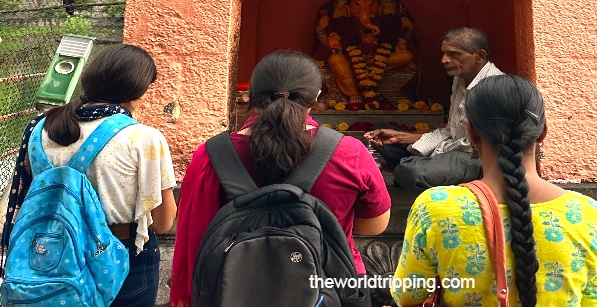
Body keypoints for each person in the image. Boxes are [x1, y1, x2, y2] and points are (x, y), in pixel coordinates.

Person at [170, 51, 391, 307]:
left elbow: (196, 229)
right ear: (317, 97)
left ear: (251, 95)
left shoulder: (210, 155)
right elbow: (374, 226)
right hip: (331, 288)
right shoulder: (349, 153)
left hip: (232, 289)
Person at [392, 74, 597, 307]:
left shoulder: (435, 208)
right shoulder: (590, 214)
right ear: (543, 131)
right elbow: (592, 302)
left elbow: (408, 295)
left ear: (470, 132)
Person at [0, 43, 177, 307]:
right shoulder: (143, 138)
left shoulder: (39, 127)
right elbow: (162, 224)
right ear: (138, 89)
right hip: (122, 257)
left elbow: (23, 194)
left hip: (46, 253)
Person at [366, 27, 502, 190]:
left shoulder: (494, 87)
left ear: (480, 56)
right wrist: (400, 137)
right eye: (444, 53)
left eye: (454, 54)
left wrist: (433, 151)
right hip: (452, 148)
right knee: (381, 132)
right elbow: (450, 131)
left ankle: (418, 167)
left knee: (410, 171)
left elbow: (476, 146)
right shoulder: (459, 80)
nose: (444, 60)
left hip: (477, 158)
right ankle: (424, 166)